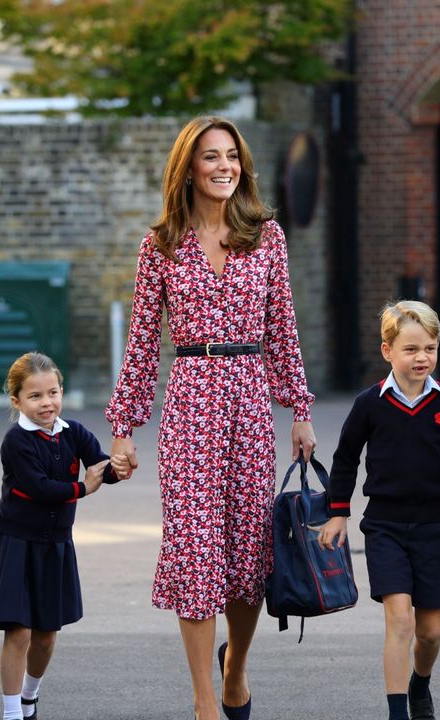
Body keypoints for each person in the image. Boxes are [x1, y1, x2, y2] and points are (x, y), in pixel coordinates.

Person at [106, 116, 317, 720]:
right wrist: (124, 426)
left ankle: (236, 671)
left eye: (232, 156)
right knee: (196, 552)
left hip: (251, 401)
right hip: (191, 402)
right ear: (188, 169)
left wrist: (298, 410)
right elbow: (144, 342)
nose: (224, 166)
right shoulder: (161, 245)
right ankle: (203, 703)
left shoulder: (266, 237)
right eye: (210, 157)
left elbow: (284, 330)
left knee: (249, 558)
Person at [318, 301, 440, 720]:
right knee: (400, 621)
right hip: (384, 526)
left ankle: (419, 682)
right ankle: (397, 712)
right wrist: (338, 512)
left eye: (429, 348)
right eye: (410, 349)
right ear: (387, 350)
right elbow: (346, 457)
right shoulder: (370, 403)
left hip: (433, 527)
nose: (421, 357)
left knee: (430, 632)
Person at [0, 351, 125, 720]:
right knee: (20, 632)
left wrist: (119, 467)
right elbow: (38, 488)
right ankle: (12, 713)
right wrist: (83, 489)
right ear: (16, 401)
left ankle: (30, 697)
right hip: (15, 543)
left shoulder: (73, 432)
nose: (47, 403)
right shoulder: (17, 442)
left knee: (46, 635)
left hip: (56, 545)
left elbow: (99, 463)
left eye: (53, 393)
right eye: (35, 396)